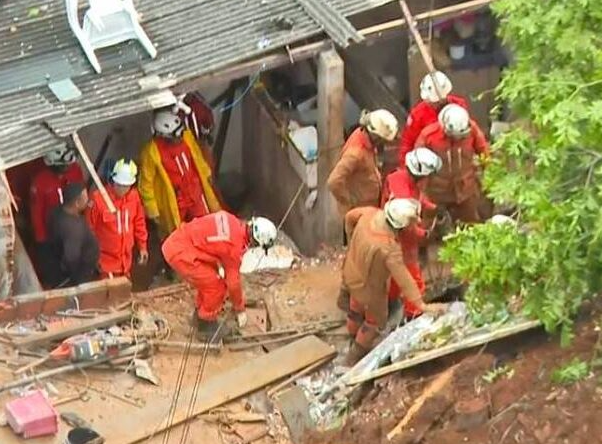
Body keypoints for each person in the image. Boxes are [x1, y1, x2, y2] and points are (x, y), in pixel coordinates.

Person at [342, 199, 447, 365]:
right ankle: (353, 357)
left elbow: (349, 217)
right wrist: (422, 305)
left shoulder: (369, 214)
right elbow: (404, 279)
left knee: (355, 308)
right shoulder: (388, 249)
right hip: (369, 288)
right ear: (400, 226)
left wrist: (350, 239)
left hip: (350, 272)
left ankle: (351, 337)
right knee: (373, 322)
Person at [161, 211, 278, 341]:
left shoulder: (232, 221)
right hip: (181, 253)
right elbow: (233, 283)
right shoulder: (234, 247)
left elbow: (215, 244)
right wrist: (239, 309)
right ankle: (206, 326)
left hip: (181, 241)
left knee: (209, 278)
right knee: (216, 287)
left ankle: (199, 316)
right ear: (256, 240)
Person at [139, 108, 222, 239]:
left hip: (194, 191)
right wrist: (152, 208)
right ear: (163, 135)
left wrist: (206, 173)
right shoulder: (151, 152)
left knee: (207, 223)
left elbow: (197, 156)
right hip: (174, 199)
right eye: (175, 136)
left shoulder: (187, 137)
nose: (179, 138)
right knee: (178, 234)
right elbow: (146, 183)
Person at [380, 148, 443, 319]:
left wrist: (433, 208)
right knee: (413, 281)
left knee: (395, 277)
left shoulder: (402, 179)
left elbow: (418, 197)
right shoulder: (402, 196)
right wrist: (426, 234)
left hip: (397, 234)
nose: (430, 180)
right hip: (399, 239)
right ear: (420, 176)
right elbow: (408, 229)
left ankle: (390, 301)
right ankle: (413, 315)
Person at [416, 103, 490, 223]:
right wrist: (421, 193)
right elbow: (418, 166)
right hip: (437, 192)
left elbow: (484, 152)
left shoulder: (472, 129)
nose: (458, 139)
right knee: (431, 226)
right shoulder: (428, 136)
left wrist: (490, 176)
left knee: (471, 223)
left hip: (465, 190)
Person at [327, 109, 399, 218]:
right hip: (360, 212)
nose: (384, 142)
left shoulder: (363, 136)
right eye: (382, 139)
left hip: (369, 203)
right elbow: (334, 181)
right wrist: (349, 202)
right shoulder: (355, 154)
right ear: (375, 136)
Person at [30, 144, 84, 286]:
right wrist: (42, 240)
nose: (66, 168)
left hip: (73, 229)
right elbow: (37, 213)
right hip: (51, 234)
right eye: (62, 165)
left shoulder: (76, 172)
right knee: (53, 272)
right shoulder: (40, 182)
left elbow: (82, 198)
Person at [87, 159, 149, 279]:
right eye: (119, 185)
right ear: (112, 180)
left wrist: (142, 247)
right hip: (105, 263)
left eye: (126, 186)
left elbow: (139, 223)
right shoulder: (98, 199)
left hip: (126, 261)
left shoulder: (134, 197)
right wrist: (94, 258)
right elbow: (89, 231)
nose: (122, 189)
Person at [398, 71, 469, 164]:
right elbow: (407, 142)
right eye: (431, 101)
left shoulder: (459, 106)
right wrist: (406, 166)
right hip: (430, 162)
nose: (433, 104)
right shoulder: (418, 114)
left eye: (436, 101)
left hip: (457, 157)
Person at [47, 183, 99, 287]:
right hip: (79, 276)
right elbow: (71, 258)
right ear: (77, 203)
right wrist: (77, 278)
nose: (88, 200)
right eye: (85, 198)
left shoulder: (57, 212)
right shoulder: (73, 228)